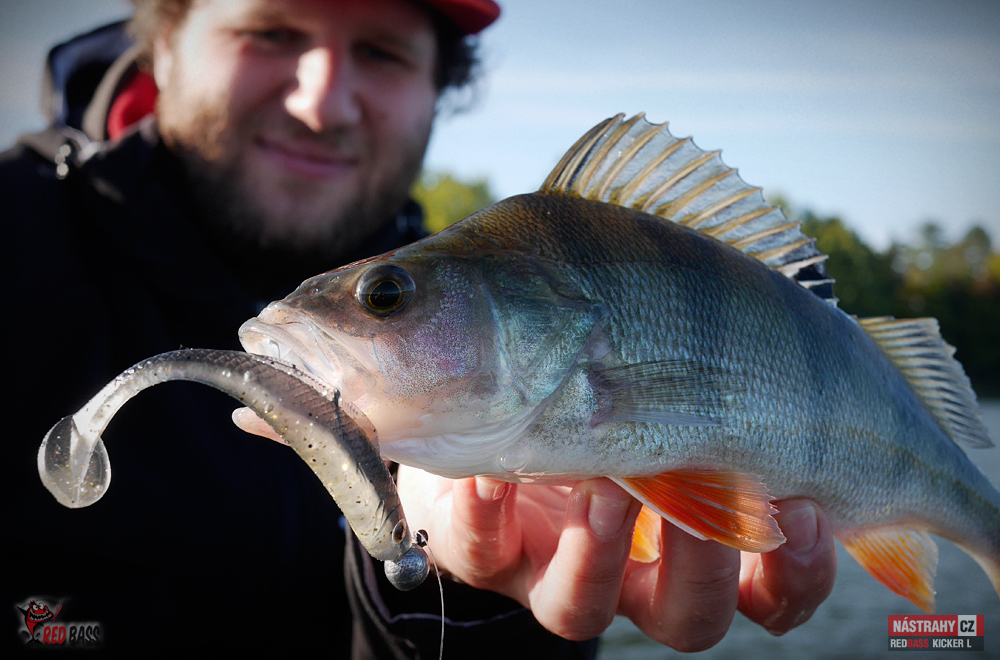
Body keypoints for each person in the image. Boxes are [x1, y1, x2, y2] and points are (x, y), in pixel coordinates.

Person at [2, 0, 837, 654]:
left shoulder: (471, 339)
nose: (323, 102)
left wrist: (472, 597)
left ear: (439, 86)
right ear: (164, 43)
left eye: (380, 51)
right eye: (271, 30)